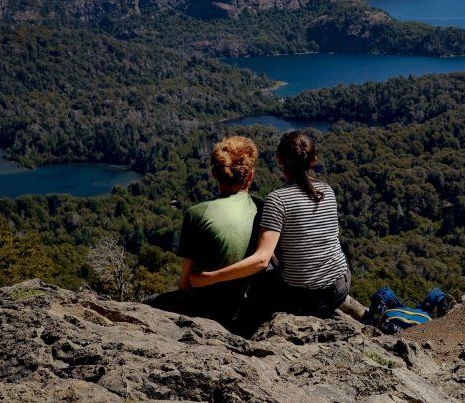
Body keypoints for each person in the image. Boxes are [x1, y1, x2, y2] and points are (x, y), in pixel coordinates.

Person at [190, 130, 365, 320]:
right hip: (340, 286)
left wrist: (209, 277)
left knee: (266, 270)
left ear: (279, 161)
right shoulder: (327, 191)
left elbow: (261, 260)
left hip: (305, 301)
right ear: (313, 160)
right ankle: (353, 307)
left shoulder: (278, 199)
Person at [146, 136, 263, 330]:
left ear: (213, 174)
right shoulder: (263, 208)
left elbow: (184, 283)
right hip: (249, 310)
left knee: (146, 304)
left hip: (208, 311)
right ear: (250, 176)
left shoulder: (197, 214)